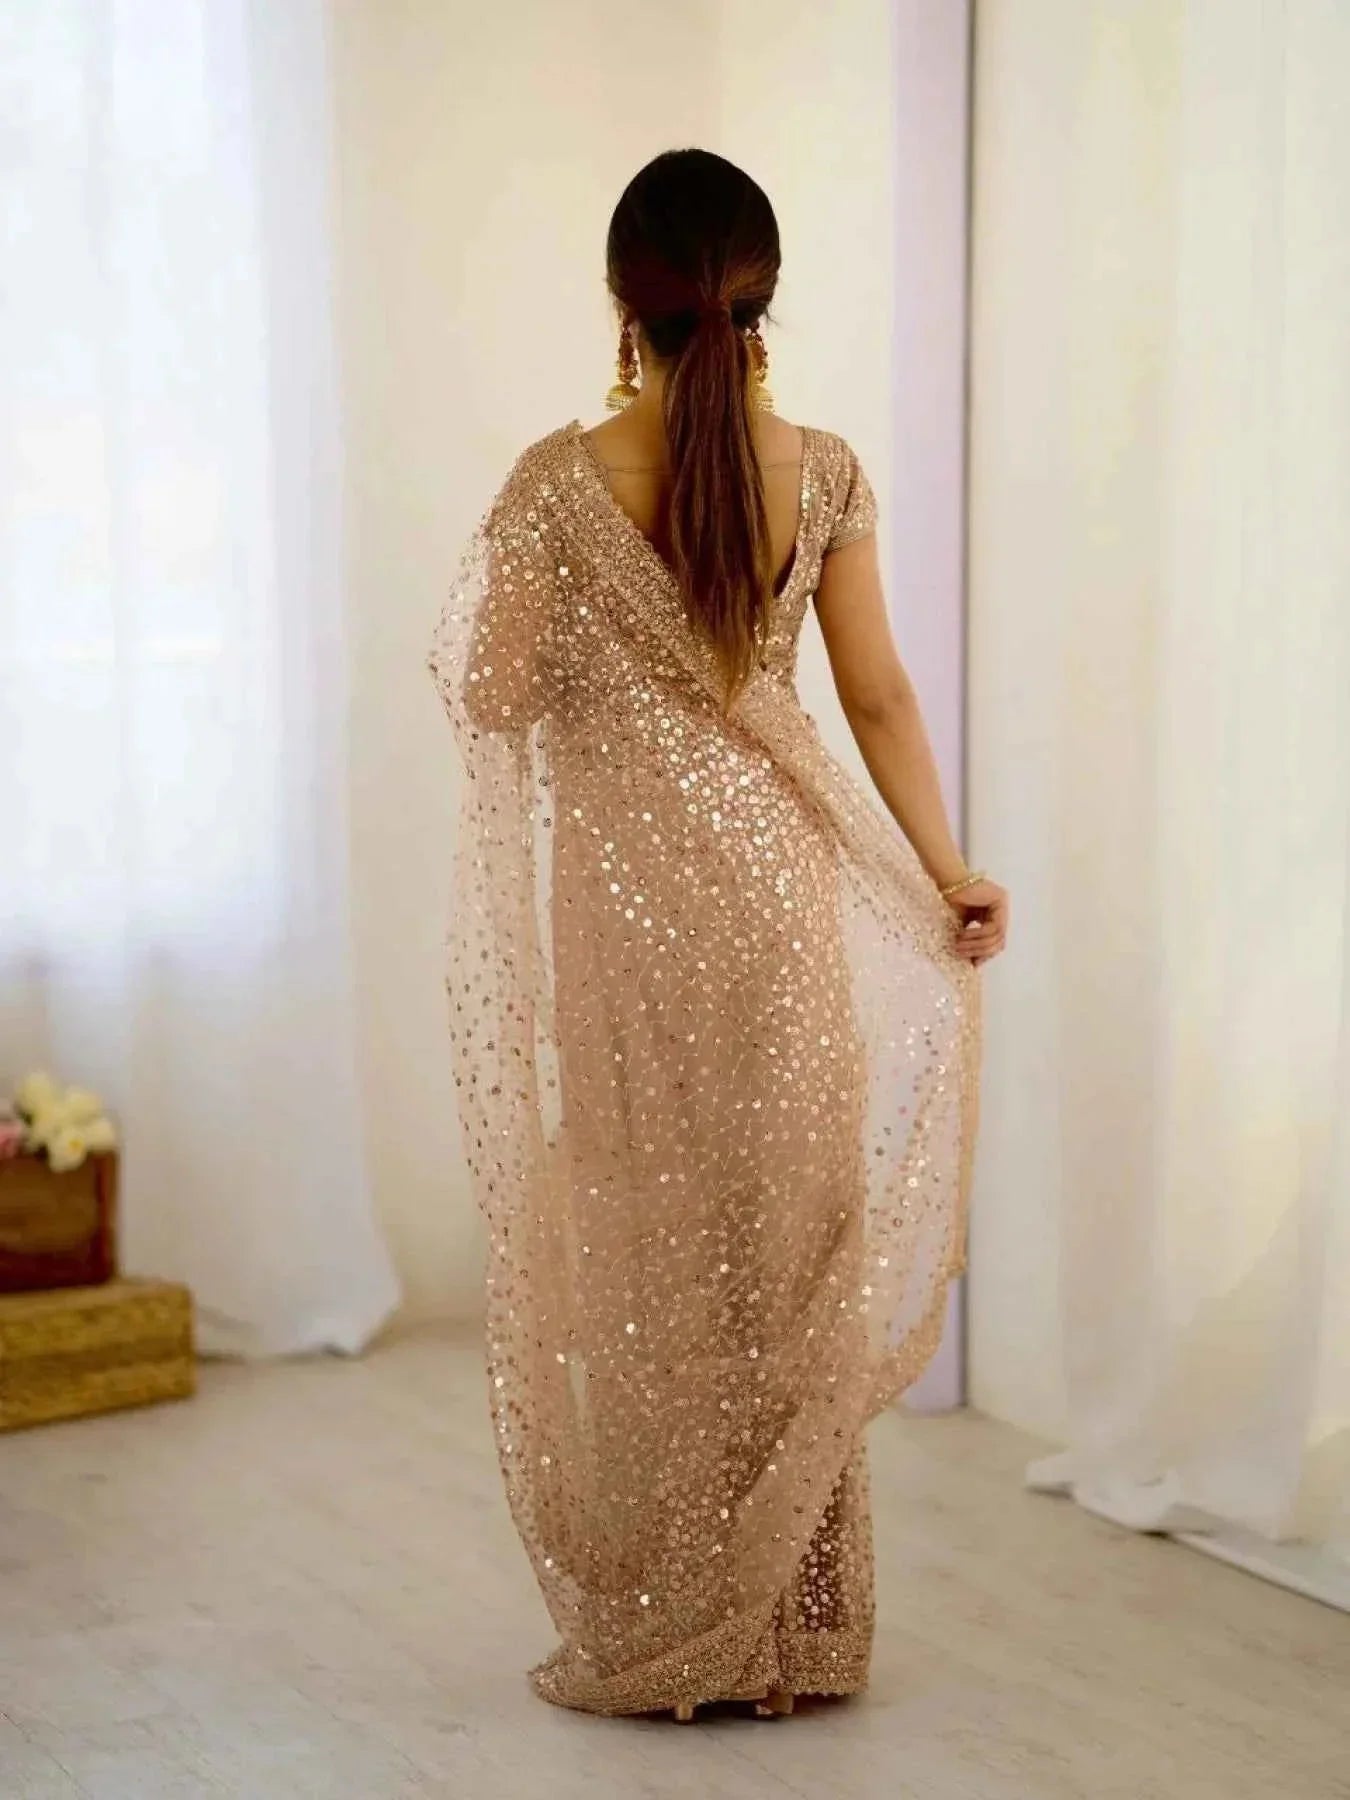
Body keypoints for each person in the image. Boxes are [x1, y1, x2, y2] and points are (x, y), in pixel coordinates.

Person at [429, 148, 1005, 1721]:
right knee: (779, 1260)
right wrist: (946, 866)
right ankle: (794, 1640)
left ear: (628, 307)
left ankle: (677, 1621)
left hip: (623, 929)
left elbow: (490, 692)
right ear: (759, 301)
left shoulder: (552, 483)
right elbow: (876, 695)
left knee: (650, 1273)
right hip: (771, 905)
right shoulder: (815, 471)